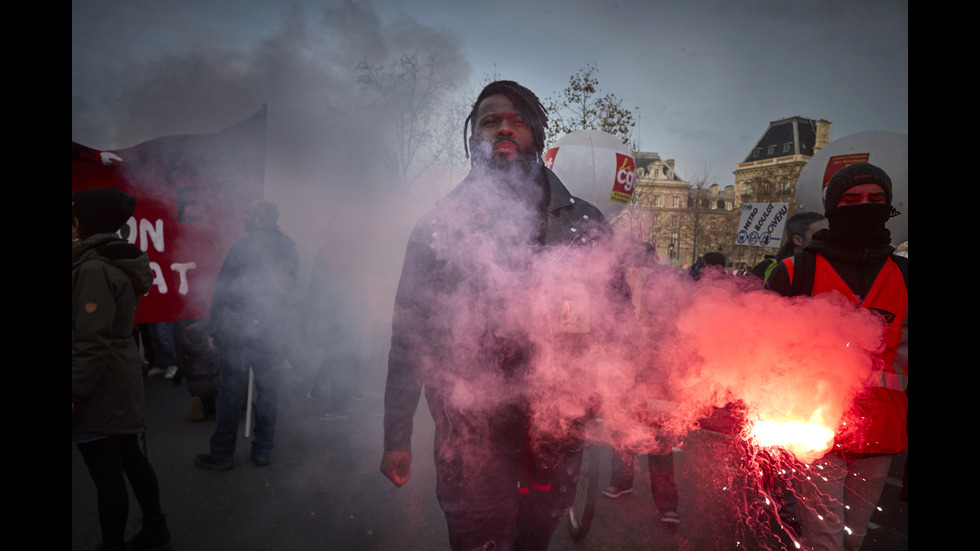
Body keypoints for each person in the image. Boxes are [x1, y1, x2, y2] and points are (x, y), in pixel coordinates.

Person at [380, 80, 616, 551]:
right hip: (469, 437)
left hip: (554, 434)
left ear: (538, 138)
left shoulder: (584, 223)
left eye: (518, 120)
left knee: (534, 541)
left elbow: (616, 321)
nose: (504, 128)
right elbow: (410, 336)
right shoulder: (438, 226)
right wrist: (396, 436)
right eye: (491, 121)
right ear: (473, 141)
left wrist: (611, 396)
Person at [767, 162, 907, 551]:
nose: (865, 205)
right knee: (825, 539)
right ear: (833, 207)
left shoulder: (905, 275)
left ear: (890, 206)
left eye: (875, 199)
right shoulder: (796, 271)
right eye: (852, 199)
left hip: (883, 433)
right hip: (817, 435)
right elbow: (766, 353)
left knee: (855, 537)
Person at [72, 187, 171, 551]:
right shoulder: (106, 259)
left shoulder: (94, 267)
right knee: (130, 457)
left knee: (108, 476)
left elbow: (91, 341)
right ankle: (156, 530)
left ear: (80, 222)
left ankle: (114, 545)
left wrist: (74, 392)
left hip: (99, 387)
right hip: (116, 378)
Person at [195, 200, 299, 470]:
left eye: (249, 214)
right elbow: (290, 290)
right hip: (273, 328)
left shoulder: (243, 247)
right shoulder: (289, 247)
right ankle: (263, 451)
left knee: (231, 392)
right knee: (268, 392)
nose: (245, 217)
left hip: (239, 328)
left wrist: (215, 327)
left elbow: (224, 289)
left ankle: (222, 454)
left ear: (260, 219)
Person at [751, 211, 827, 281]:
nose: (828, 237)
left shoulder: (831, 267)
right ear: (798, 240)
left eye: (828, 233)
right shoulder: (767, 269)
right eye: (821, 234)